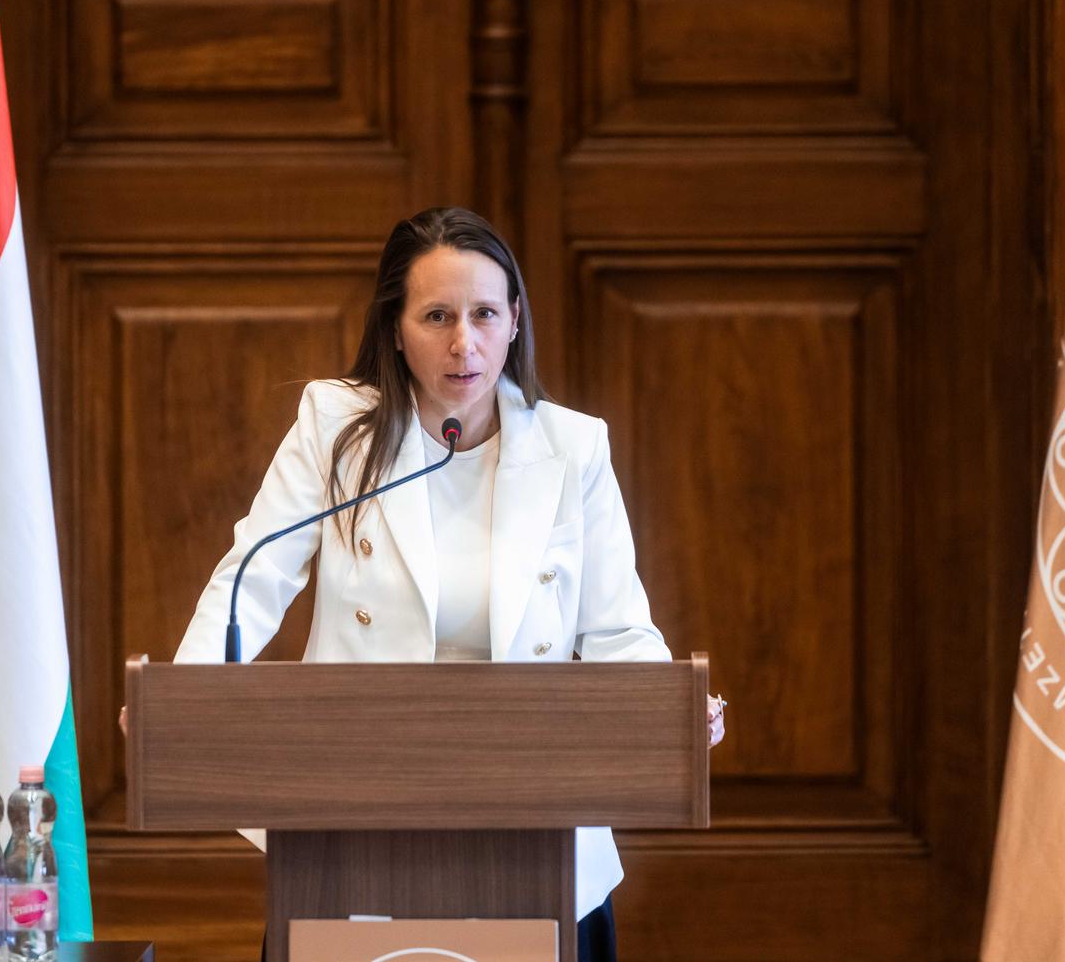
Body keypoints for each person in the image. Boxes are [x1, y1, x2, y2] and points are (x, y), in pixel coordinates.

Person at [167, 206, 726, 962]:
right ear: (396, 329)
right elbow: (253, 573)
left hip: (529, 812)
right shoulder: (336, 427)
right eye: (437, 316)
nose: (464, 343)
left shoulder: (572, 447)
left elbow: (618, 629)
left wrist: (672, 711)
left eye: (484, 314)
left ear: (515, 320)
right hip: (358, 804)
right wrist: (185, 700)